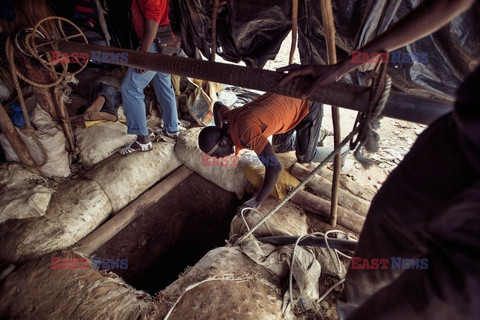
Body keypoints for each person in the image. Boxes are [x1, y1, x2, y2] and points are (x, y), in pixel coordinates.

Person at [278, 0, 478, 319]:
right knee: (388, 220)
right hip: (466, 130)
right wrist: (347, 64)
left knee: (442, 295)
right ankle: (349, 308)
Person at [198, 93, 348, 212]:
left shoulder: (246, 132)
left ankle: (342, 151)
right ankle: (314, 135)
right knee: (280, 147)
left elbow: (274, 167)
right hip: (287, 104)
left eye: (217, 155)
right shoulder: (229, 118)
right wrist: (218, 130)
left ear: (223, 142)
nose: (219, 158)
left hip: (307, 102)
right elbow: (218, 106)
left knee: (305, 156)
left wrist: (257, 201)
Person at [119, 0, 179, 155]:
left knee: (130, 88)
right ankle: (172, 129)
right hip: (164, 41)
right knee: (163, 83)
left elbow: (153, 17)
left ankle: (142, 140)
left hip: (154, 42)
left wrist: (143, 54)